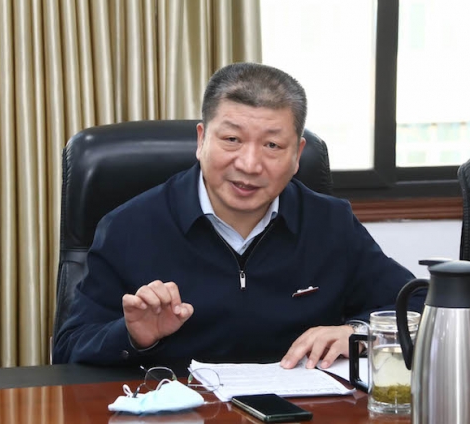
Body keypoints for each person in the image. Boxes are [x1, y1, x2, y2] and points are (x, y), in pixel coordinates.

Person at [52, 62, 424, 369]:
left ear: (297, 155)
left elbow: (418, 304)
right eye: (232, 140)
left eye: (272, 145)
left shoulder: (330, 223)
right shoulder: (130, 226)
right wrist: (134, 336)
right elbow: (69, 348)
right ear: (201, 140)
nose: (249, 164)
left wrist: (358, 333)